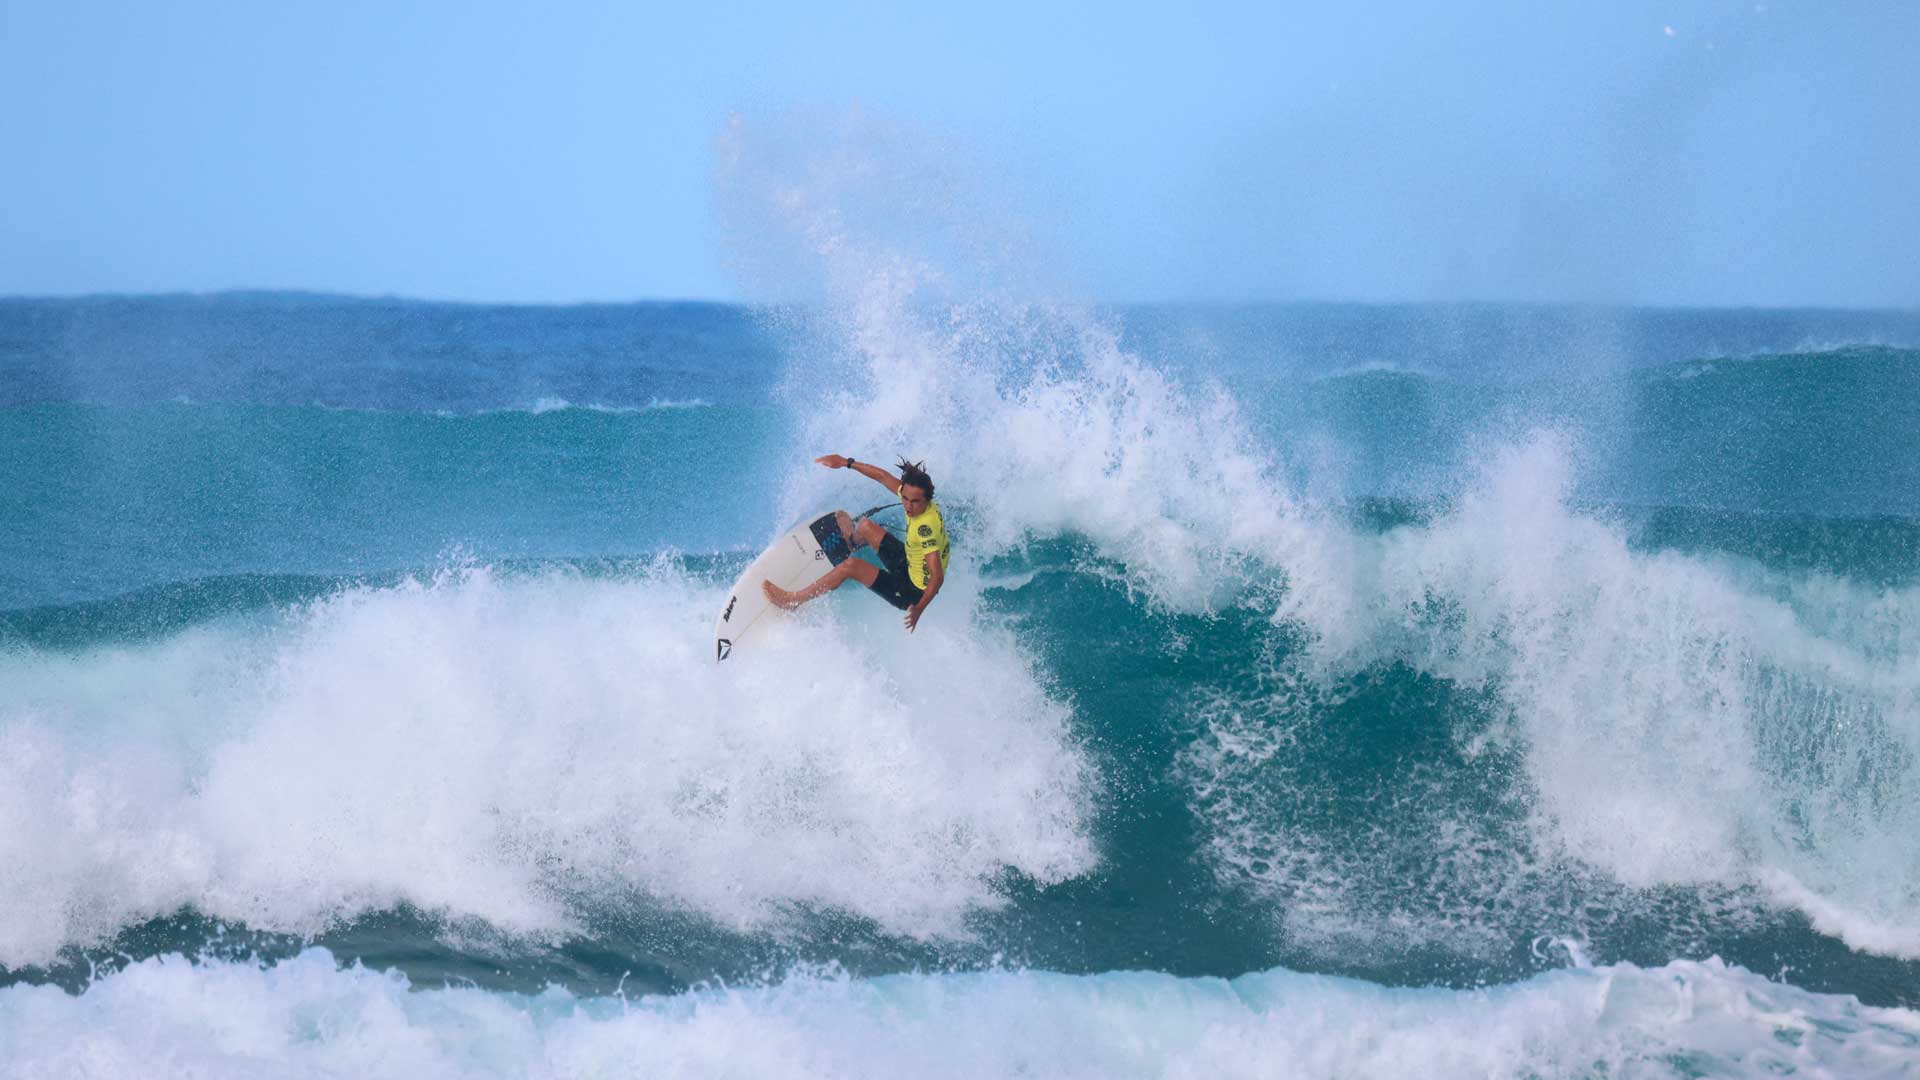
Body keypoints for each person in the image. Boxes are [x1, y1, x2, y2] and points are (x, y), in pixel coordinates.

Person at [763, 455, 951, 632]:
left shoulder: (925, 529)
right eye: (905, 498)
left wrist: (919, 609)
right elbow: (882, 476)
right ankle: (852, 542)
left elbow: (937, 576)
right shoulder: (916, 497)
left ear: (926, 499)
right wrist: (846, 462)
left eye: (915, 502)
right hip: (911, 564)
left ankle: (793, 601)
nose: (908, 506)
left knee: (851, 566)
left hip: (912, 591)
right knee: (866, 526)